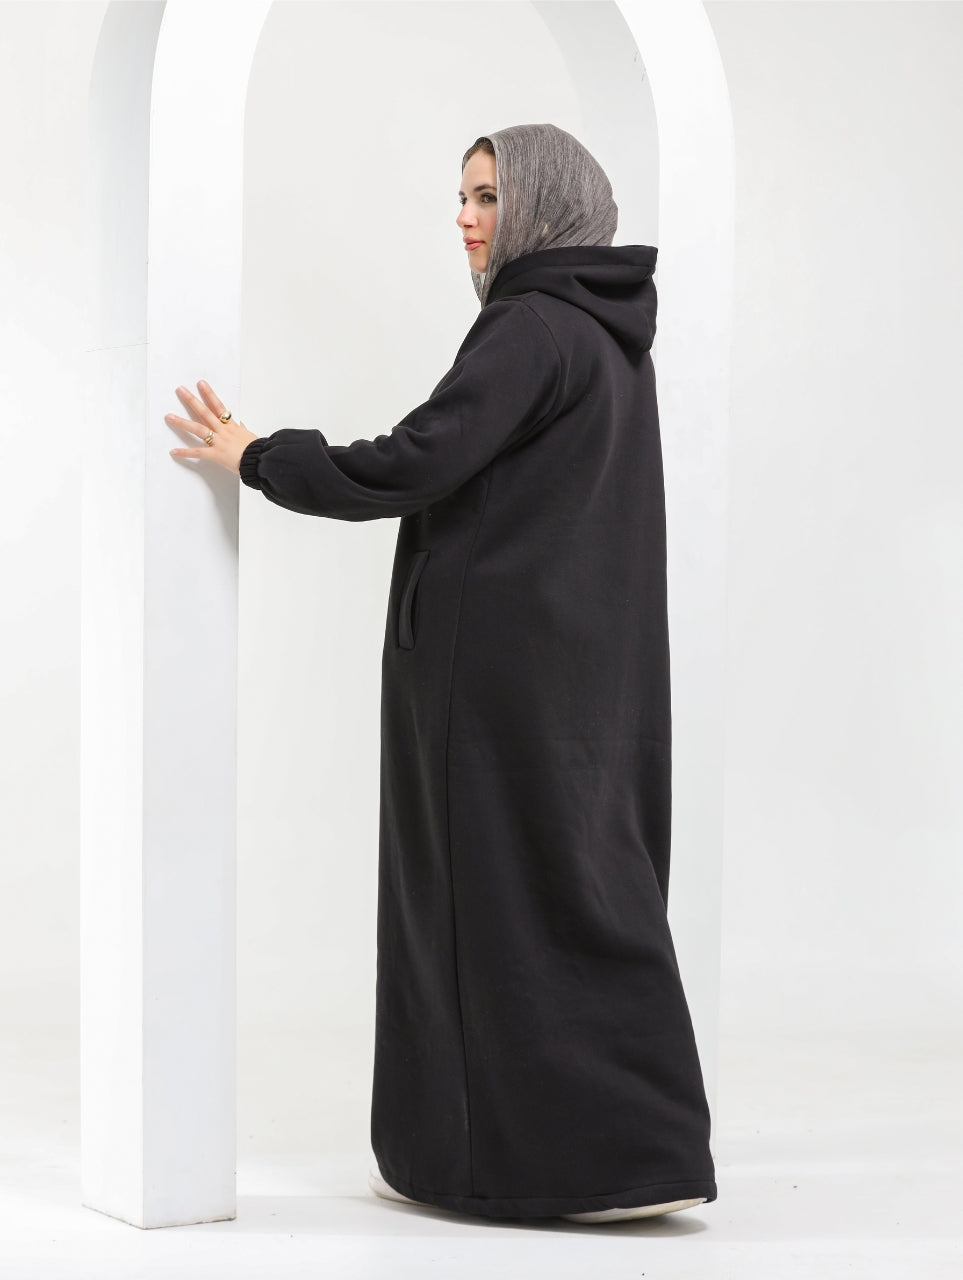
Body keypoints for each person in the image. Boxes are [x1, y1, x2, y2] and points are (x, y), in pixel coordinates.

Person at [166, 123, 717, 1225]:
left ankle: (508, 1163)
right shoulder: (609, 335)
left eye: (488, 197)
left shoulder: (528, 326)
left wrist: (260, 457)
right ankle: (630, 1152)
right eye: (462, 197)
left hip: (494, 684)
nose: (465, 219)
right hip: (581, 675)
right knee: (580, 890)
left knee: (485, 902)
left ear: (543, 206)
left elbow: (415, 460)